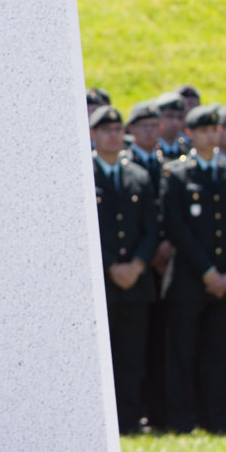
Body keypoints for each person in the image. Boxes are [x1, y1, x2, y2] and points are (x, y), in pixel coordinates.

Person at [158, 104, 226, 434]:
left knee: (219, 353)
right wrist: (208, 272)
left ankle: (218, 419)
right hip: (190, 280)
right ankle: (182, 420)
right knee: (183, 354)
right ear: (191, 134)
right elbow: (177, 228)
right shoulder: (177, 174)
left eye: (215, 130)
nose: (211, 136)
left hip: (225, 281)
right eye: (204, 130)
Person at [93, 106, 157, 434]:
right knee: (102, 359)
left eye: (118, 129)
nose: (113, 135)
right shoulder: (83, 174)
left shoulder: (139, 176)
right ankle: (102, 423)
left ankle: (129, 420)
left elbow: (151, 228)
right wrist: (110, 265)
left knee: (132, 357)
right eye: (105, 129)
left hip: (135, 282)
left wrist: (136, 265)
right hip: (101, 283)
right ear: (92, 134)